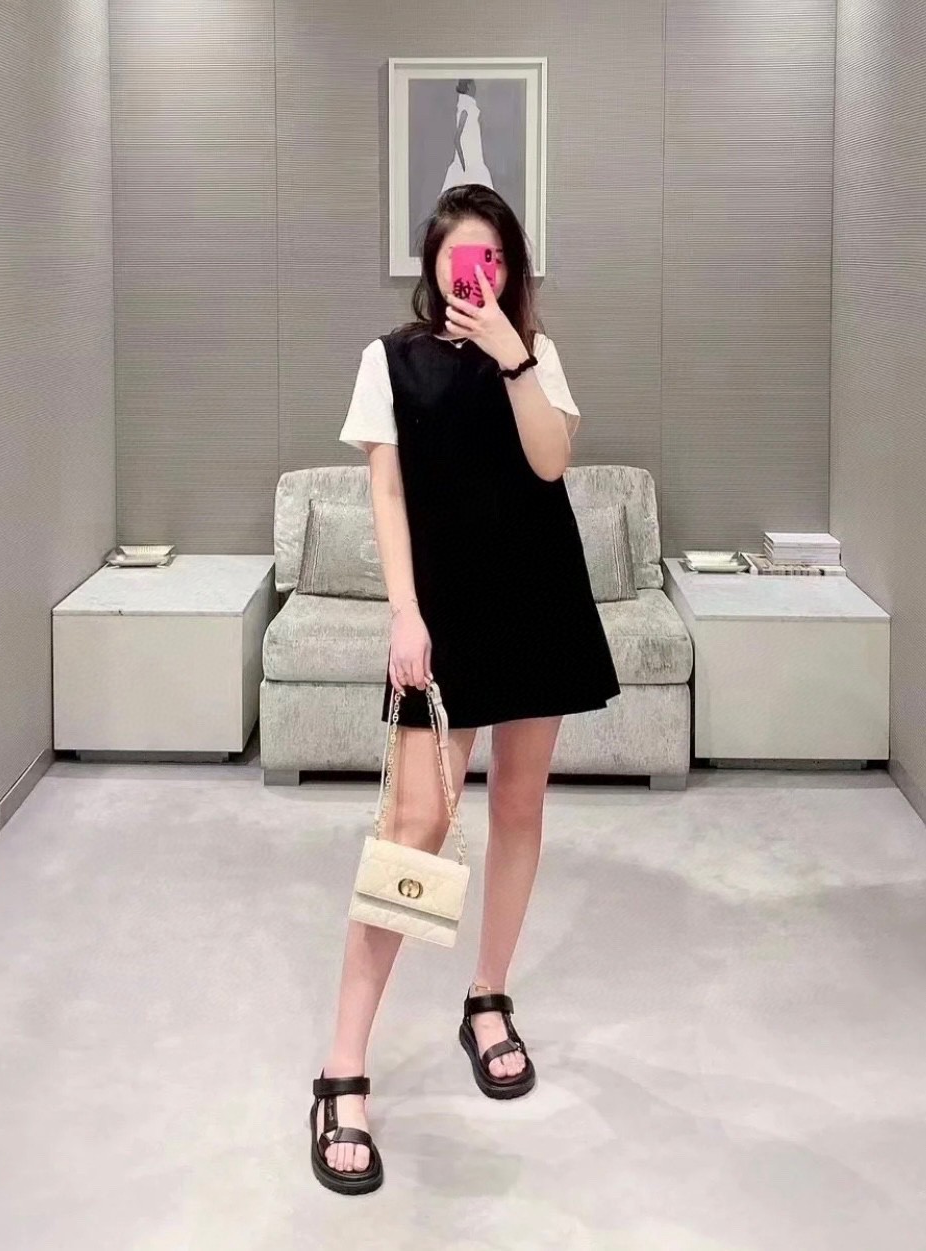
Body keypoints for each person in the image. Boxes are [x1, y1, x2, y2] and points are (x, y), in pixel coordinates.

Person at [311, 183, 622, 1194]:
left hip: (537, 600)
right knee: (414, 828)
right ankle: (342, 1069)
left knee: (520, 806)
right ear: (433, 267)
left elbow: (549, 463)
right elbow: (386, 490)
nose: (473, 275)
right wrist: (403, 613)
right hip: (442, 613)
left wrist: (513, 354)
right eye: (458, 258)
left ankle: (488, 998)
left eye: (491, 259)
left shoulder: (534, 350)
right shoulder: (389, 360)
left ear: (510, 267)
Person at [440, 79, 493, 193]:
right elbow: (457, 138)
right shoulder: (466, 108)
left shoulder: (469, 107)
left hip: (474, 157)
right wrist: (463, 164)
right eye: (473, 86)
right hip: (469, 160)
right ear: (468, 87)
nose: (475, 89)